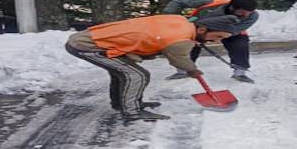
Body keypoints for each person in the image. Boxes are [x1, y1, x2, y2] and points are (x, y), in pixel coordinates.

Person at [65, 14, 235, 121]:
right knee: (136, 75)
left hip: (95, 39)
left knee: (123, 72)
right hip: (88, 45)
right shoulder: (180, 38)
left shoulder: (182, 21)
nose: (217, 41)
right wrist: (192, 70)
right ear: (203, 29)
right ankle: (131, 112)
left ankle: (121, 104)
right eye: (217, 36)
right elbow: (179, 58)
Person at [163, 0, 259, 83]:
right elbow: (179, 2)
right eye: (242, 13)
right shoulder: (212, 2)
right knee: (189, 43)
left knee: (240, 43)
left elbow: (236, 29)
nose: (246, 16)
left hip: (230, 30)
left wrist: (218, 35)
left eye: (249, 13)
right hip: (199, 25)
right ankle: (183, 71)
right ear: (232, 8)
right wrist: (170, 17)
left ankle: (240, 73)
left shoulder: (253, 15)